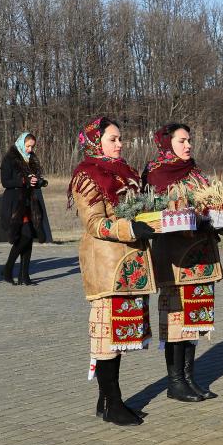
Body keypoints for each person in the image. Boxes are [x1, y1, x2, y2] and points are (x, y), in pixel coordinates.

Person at [68, 117, 158, 426]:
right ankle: (113, 402)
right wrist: (131, 227)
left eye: (120, 138)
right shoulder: (86, 176)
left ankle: (106, 402)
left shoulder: (126, 174)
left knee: (119, 337)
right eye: (113, 139)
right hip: (106, 266)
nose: (120, 144)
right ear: (96, 142)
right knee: (106, 339)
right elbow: (94, 224)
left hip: (129, 263)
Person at [144, 123, 223, 402]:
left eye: (190, 140)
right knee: (175, 323)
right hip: (175, 261)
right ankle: (175, 382)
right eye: (182, 141)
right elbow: (152, 213)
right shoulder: (156, 173)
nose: (188, 145)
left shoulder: (195, 172)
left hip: (201, 258)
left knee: (193, 323)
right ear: (168, 143)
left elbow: (212, 205)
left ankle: (190, 378)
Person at [0, 132, 48, 285]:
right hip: (15, 203)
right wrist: (23, 180)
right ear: (21, 143)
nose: (30, 149)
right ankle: (8, 269)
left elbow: (32, 180)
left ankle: (24, 276)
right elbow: (5, 182)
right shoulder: (9, 159)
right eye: (28, 146)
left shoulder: (31, 159)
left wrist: (39, 181)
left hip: (30, 203)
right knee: (25, 237)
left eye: (32, 146)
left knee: (28, 239)